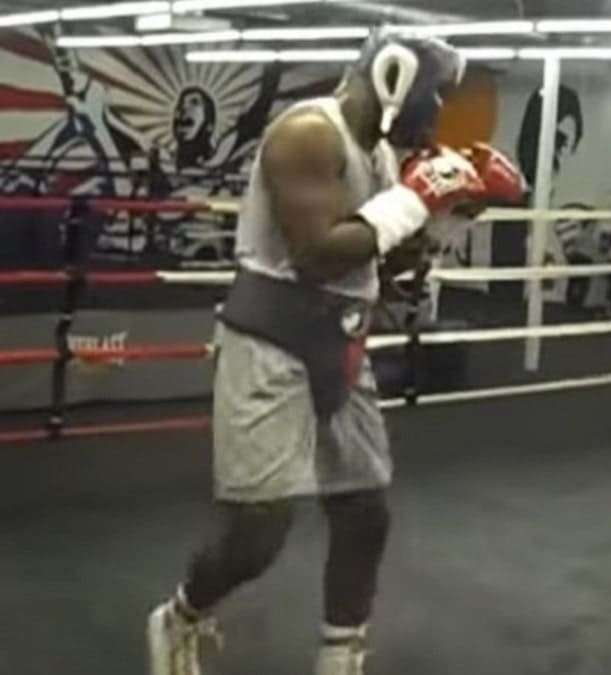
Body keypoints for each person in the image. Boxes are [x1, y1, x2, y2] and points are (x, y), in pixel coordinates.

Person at [145, 32, 524, 675]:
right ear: (394, 78)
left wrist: (452, 217)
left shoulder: (378, 154)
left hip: (342, 345)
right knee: (259, 531)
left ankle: (340, 654)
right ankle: (181, 614)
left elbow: (388, 260)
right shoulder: (306, 136)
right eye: (433, 95)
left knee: (365, 509)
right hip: (270, 345)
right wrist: (415, 198)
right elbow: (316, 255)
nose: (435, 114)